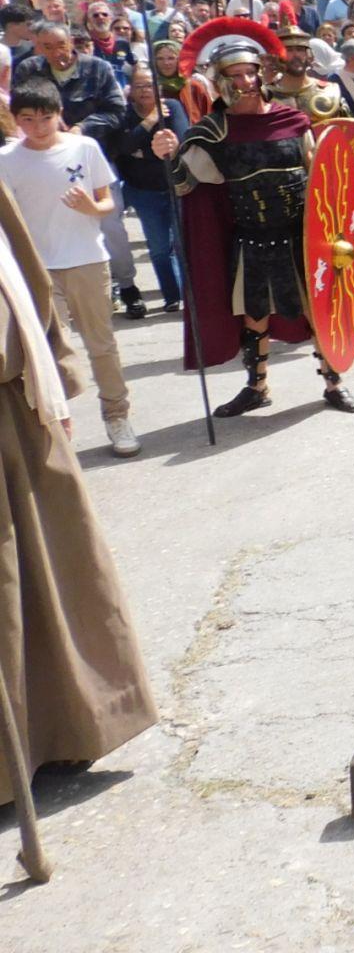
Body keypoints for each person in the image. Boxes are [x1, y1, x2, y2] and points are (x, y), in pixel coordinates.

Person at [0, 179, 157, 809]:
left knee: (48, 571)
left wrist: (56, 377)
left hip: (15, 404)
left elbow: (25, 279)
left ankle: (63, 726)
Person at [150, 20, 354, 416]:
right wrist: (169, 152)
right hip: (253, 237)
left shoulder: (292, 121)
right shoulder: (214, 132)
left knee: (318, 309)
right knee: (255, 313)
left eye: (251, 72)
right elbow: (187, 184)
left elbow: (322, 173)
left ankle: (334, 382)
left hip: (304, 235)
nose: (247, 81)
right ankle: (257, 386)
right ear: (221, 81)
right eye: (236, 75)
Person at [1, 80, 142, 456]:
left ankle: (117, 415)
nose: (38, 126)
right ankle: (55, 425)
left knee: (102, 346)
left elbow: (106, 203)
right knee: (45, 352)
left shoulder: (85, 147)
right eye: (28, 119)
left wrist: (89, 209)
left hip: (87, 260)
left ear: (59, 114)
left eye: (46, 117)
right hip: (35, 270)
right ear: (15, 120)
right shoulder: (7, 161)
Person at [13, 21, 144, 318]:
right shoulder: (29, 70)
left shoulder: (97, 68)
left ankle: (126, 284)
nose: (55, 53)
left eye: (60, 46)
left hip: (91, 154)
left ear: (70, 42)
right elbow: (22, 108)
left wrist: (81, 129)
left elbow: (116, 111)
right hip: (43, 158)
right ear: (37, 47)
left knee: (111, 225)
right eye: (46, 47)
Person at [110, 67, 190, 313]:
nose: (145, 90)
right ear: (130, 90)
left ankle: (189, 296)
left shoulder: (173, 107)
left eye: (150, 84)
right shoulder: (124, 114)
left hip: (174, 187)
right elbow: (122, 147)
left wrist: (142, 152)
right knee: (158, 248)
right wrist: (151, 120)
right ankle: (170, 296)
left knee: (181, 244)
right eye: (140, 85)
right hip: (143, 191)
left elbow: (181, 140)